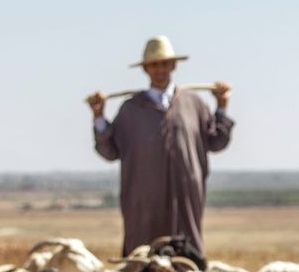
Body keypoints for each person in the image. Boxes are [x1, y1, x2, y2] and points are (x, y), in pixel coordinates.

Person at [85, 36, 234, 257]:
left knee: (188, 256)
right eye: (154, 64)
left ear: (173, 66)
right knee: (143, 256)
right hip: (143, 199)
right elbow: (110, 150)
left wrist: (221, 107)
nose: (160, 70)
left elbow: (217, 141)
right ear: (146, 69)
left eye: (164, 63)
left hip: (186, 198)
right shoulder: (131, 109)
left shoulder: (193, 104)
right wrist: (98, 116)